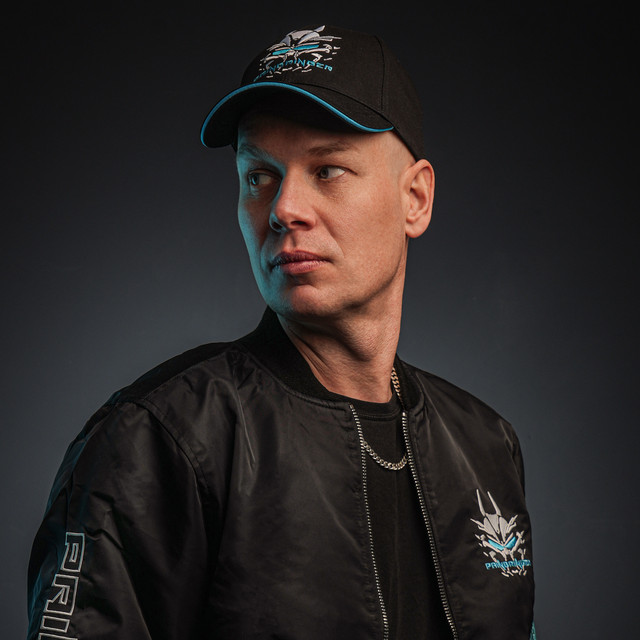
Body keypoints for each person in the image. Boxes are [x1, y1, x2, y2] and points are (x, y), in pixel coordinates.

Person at [27, 25, 536, 640]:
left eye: (327, 170)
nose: (283, 208)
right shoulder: (158, 439)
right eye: (259, 176)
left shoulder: (486, 447)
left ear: (416, 199)